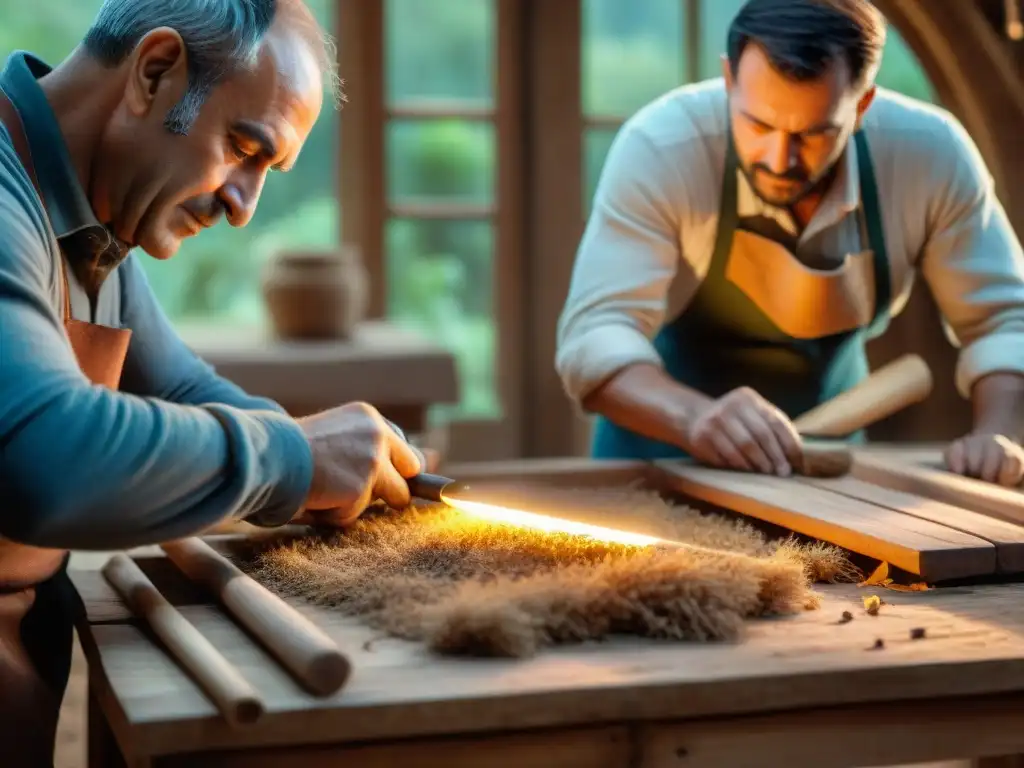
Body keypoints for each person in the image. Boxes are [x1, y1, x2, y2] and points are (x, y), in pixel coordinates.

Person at [0, 1, 423, 765]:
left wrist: (344, 462)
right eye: (241, 148)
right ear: (155, 72)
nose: (242, 206)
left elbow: (184, 389)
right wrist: (293, 459)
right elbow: (43, 459)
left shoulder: (93, 219)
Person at [556, 0, 1024, 488]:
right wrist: (694, 418)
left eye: (814, 133)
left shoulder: (929, 155)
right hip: (657, 466)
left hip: (825, 474)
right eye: (758, 125)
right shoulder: (662, 147)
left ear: (862, 104)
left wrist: (999, 434)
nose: (780, 159)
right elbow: (595, 334)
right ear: (729, 79)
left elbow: (1004, 321)